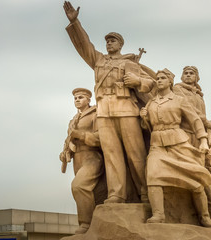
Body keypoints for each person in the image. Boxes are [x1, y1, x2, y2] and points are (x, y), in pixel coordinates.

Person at [63, 1, 154, 203]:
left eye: (113, 41)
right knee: (112, 155)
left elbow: (151, 83)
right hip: (104, 112)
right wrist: (75, 23)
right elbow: (83, 45)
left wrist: (137, 80)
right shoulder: (99, 61)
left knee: (136, 154)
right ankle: (117, 194)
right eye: (107, 41)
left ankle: (145, 193)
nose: (109, 44)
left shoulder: (129, 62)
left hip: (126, 110)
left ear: (120, 44)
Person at [140, 69, 211, 228]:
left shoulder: (179, 100)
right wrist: (144, 118)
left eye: (162, 78)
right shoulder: (152, 102)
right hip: (157, 144)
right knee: (153, 175)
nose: (159, 80)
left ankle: (204, 217)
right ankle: (158, 214)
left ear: (170, 82)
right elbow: (147, 127)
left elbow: (195, 120)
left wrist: (203, 140)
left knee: (195, 178)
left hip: (178, 142)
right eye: (157, 78)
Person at [59, 88, 104, 234]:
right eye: (75, 98)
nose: (77, 100)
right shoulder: (73, 120)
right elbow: (69, 141)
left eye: (80, 97)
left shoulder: (96, 114)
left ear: (88, 100)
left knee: (78, 186)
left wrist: (80, 135)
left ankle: (85, 223)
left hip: (92, 157)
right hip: (77, 159)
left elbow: (101, 137)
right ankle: (93, 226)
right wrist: (65, 152)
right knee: (92, 194)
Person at [173, 66, 211, 148]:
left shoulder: (199, 94)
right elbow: (188, 106)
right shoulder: (177, 89)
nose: (188, 75)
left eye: (191, 73)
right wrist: (205, 120)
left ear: (196, 77)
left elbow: (203, 112)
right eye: (186, 73)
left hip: (198, 132)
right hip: (184, 130)